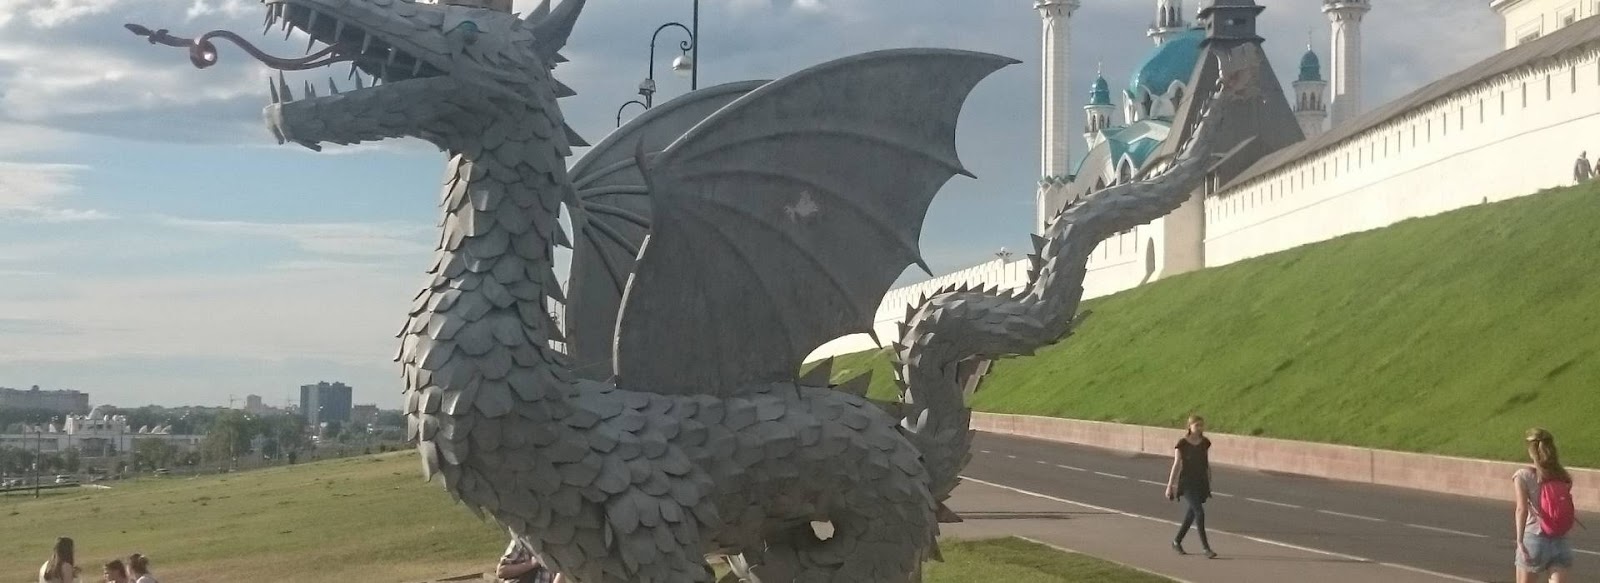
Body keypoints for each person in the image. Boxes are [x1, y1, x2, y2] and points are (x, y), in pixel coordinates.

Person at [1514, 428, 1576, 583]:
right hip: (1560, 540)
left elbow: (1521, 509)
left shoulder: (1523, 475)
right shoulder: (1563, 476)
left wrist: (1519, 540)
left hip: (1534, 539)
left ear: (1531, 451)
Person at [1165, 414, 1217, 559]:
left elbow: (1206, 463)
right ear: (1189, 426)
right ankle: (1206, 548)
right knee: (1199, 512)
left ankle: (1177, 541)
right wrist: (1170, 485)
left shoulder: (1205, 442)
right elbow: (1176, 464)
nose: (1199, 428)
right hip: (1187, 483)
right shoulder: (1182, 443)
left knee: (1191, 514)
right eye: (1196, 425)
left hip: (1201, 482)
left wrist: (1209, 480)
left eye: (1201, 425)